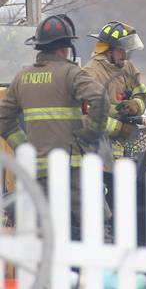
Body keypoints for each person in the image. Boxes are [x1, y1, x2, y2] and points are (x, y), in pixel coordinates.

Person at [0, 14, 107, 235]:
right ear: (64, 49)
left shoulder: (22, 77)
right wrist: (88, 135)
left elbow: (3, 119)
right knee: (95, 228)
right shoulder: (71, 73)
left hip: (37, 172)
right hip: (72, 169)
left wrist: (23, 147)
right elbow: (100, 100)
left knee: (42, 232)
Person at [82, 21, 146, 160]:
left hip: (125, 150)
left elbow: (143, 94)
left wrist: (136, 105)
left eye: (126, 52)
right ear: (108, 50)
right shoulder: (91, 73)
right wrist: (120, 129)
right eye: (121, 51)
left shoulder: (127, 67)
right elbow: (87, 117)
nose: (125, 56)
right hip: (99, 152)